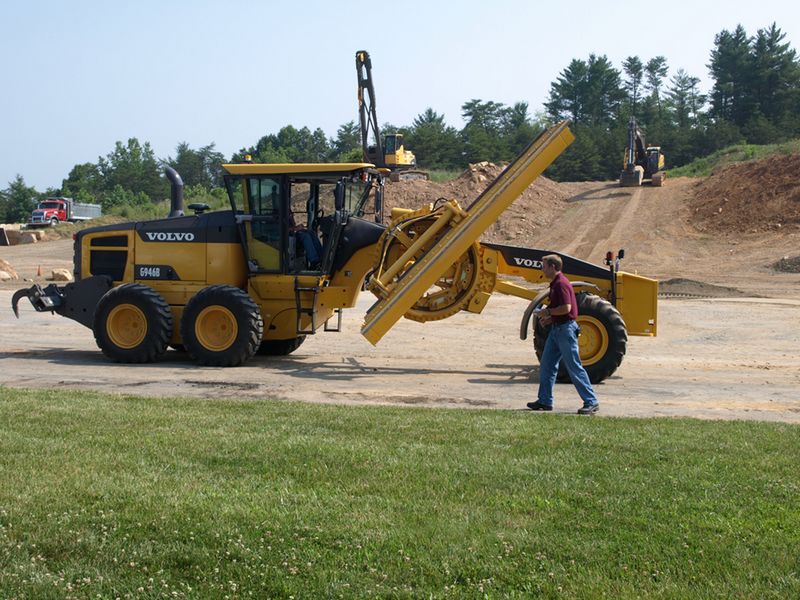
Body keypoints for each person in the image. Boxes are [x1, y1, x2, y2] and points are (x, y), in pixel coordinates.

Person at [527, 254, 600, 415]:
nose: (542, 269)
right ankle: (545, 401)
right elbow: (560, 309)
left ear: (553, 267)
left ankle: (591, 401)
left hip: (565, 331)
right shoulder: (555, 284)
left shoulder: (561, 284)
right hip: (557, 330)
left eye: (544, 266)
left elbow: (566, 308)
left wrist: (547, 312)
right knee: (547, 365)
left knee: (574, 367)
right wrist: (550, 319)